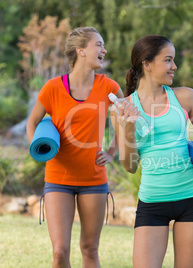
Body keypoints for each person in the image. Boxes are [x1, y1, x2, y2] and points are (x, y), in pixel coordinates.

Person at [110, 35, 193, 268]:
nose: (174, 66)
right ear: (146, 64)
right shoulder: (122, 108)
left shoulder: (185, 96)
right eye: (168, 60)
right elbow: (130, 167)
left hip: (191, 198)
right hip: (152, 203)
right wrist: (128, 131)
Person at [26, 26, 123, 267]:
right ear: (80, 50)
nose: (104, 50)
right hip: (58, 177)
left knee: (90, 249)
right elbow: (32, 122)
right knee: (60, 251)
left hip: (93, 178)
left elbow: (125, 121)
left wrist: (112, 152)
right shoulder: (52, 88)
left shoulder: (109, 87)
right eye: (98, 45)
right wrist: (37, 148)